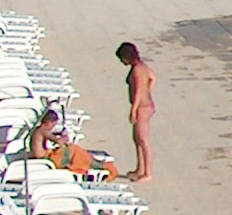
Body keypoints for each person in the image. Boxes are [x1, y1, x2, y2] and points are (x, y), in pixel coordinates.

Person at [27, 106, 118, 180]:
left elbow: (50, 136)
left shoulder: (39, 130)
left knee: (73, 150)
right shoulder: (43, 130)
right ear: (49, 122)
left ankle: (94, 164)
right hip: (46, 160)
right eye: (53, 125)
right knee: (74, 150)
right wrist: (65, 138)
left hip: (45, 157)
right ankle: (102, 165)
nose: (53, 127)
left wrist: (59, 135)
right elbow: (58, 141)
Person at [115, 42, 155, 182]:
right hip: (145, 105)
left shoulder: (137, 69)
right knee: (137, 139)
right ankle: (140, 168)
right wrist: (148, 90)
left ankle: (148, 173)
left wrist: (134, 109)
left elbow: (138, 90)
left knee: (143, 139)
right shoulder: (142, 66)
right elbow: (153, 77)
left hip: (142, 107)